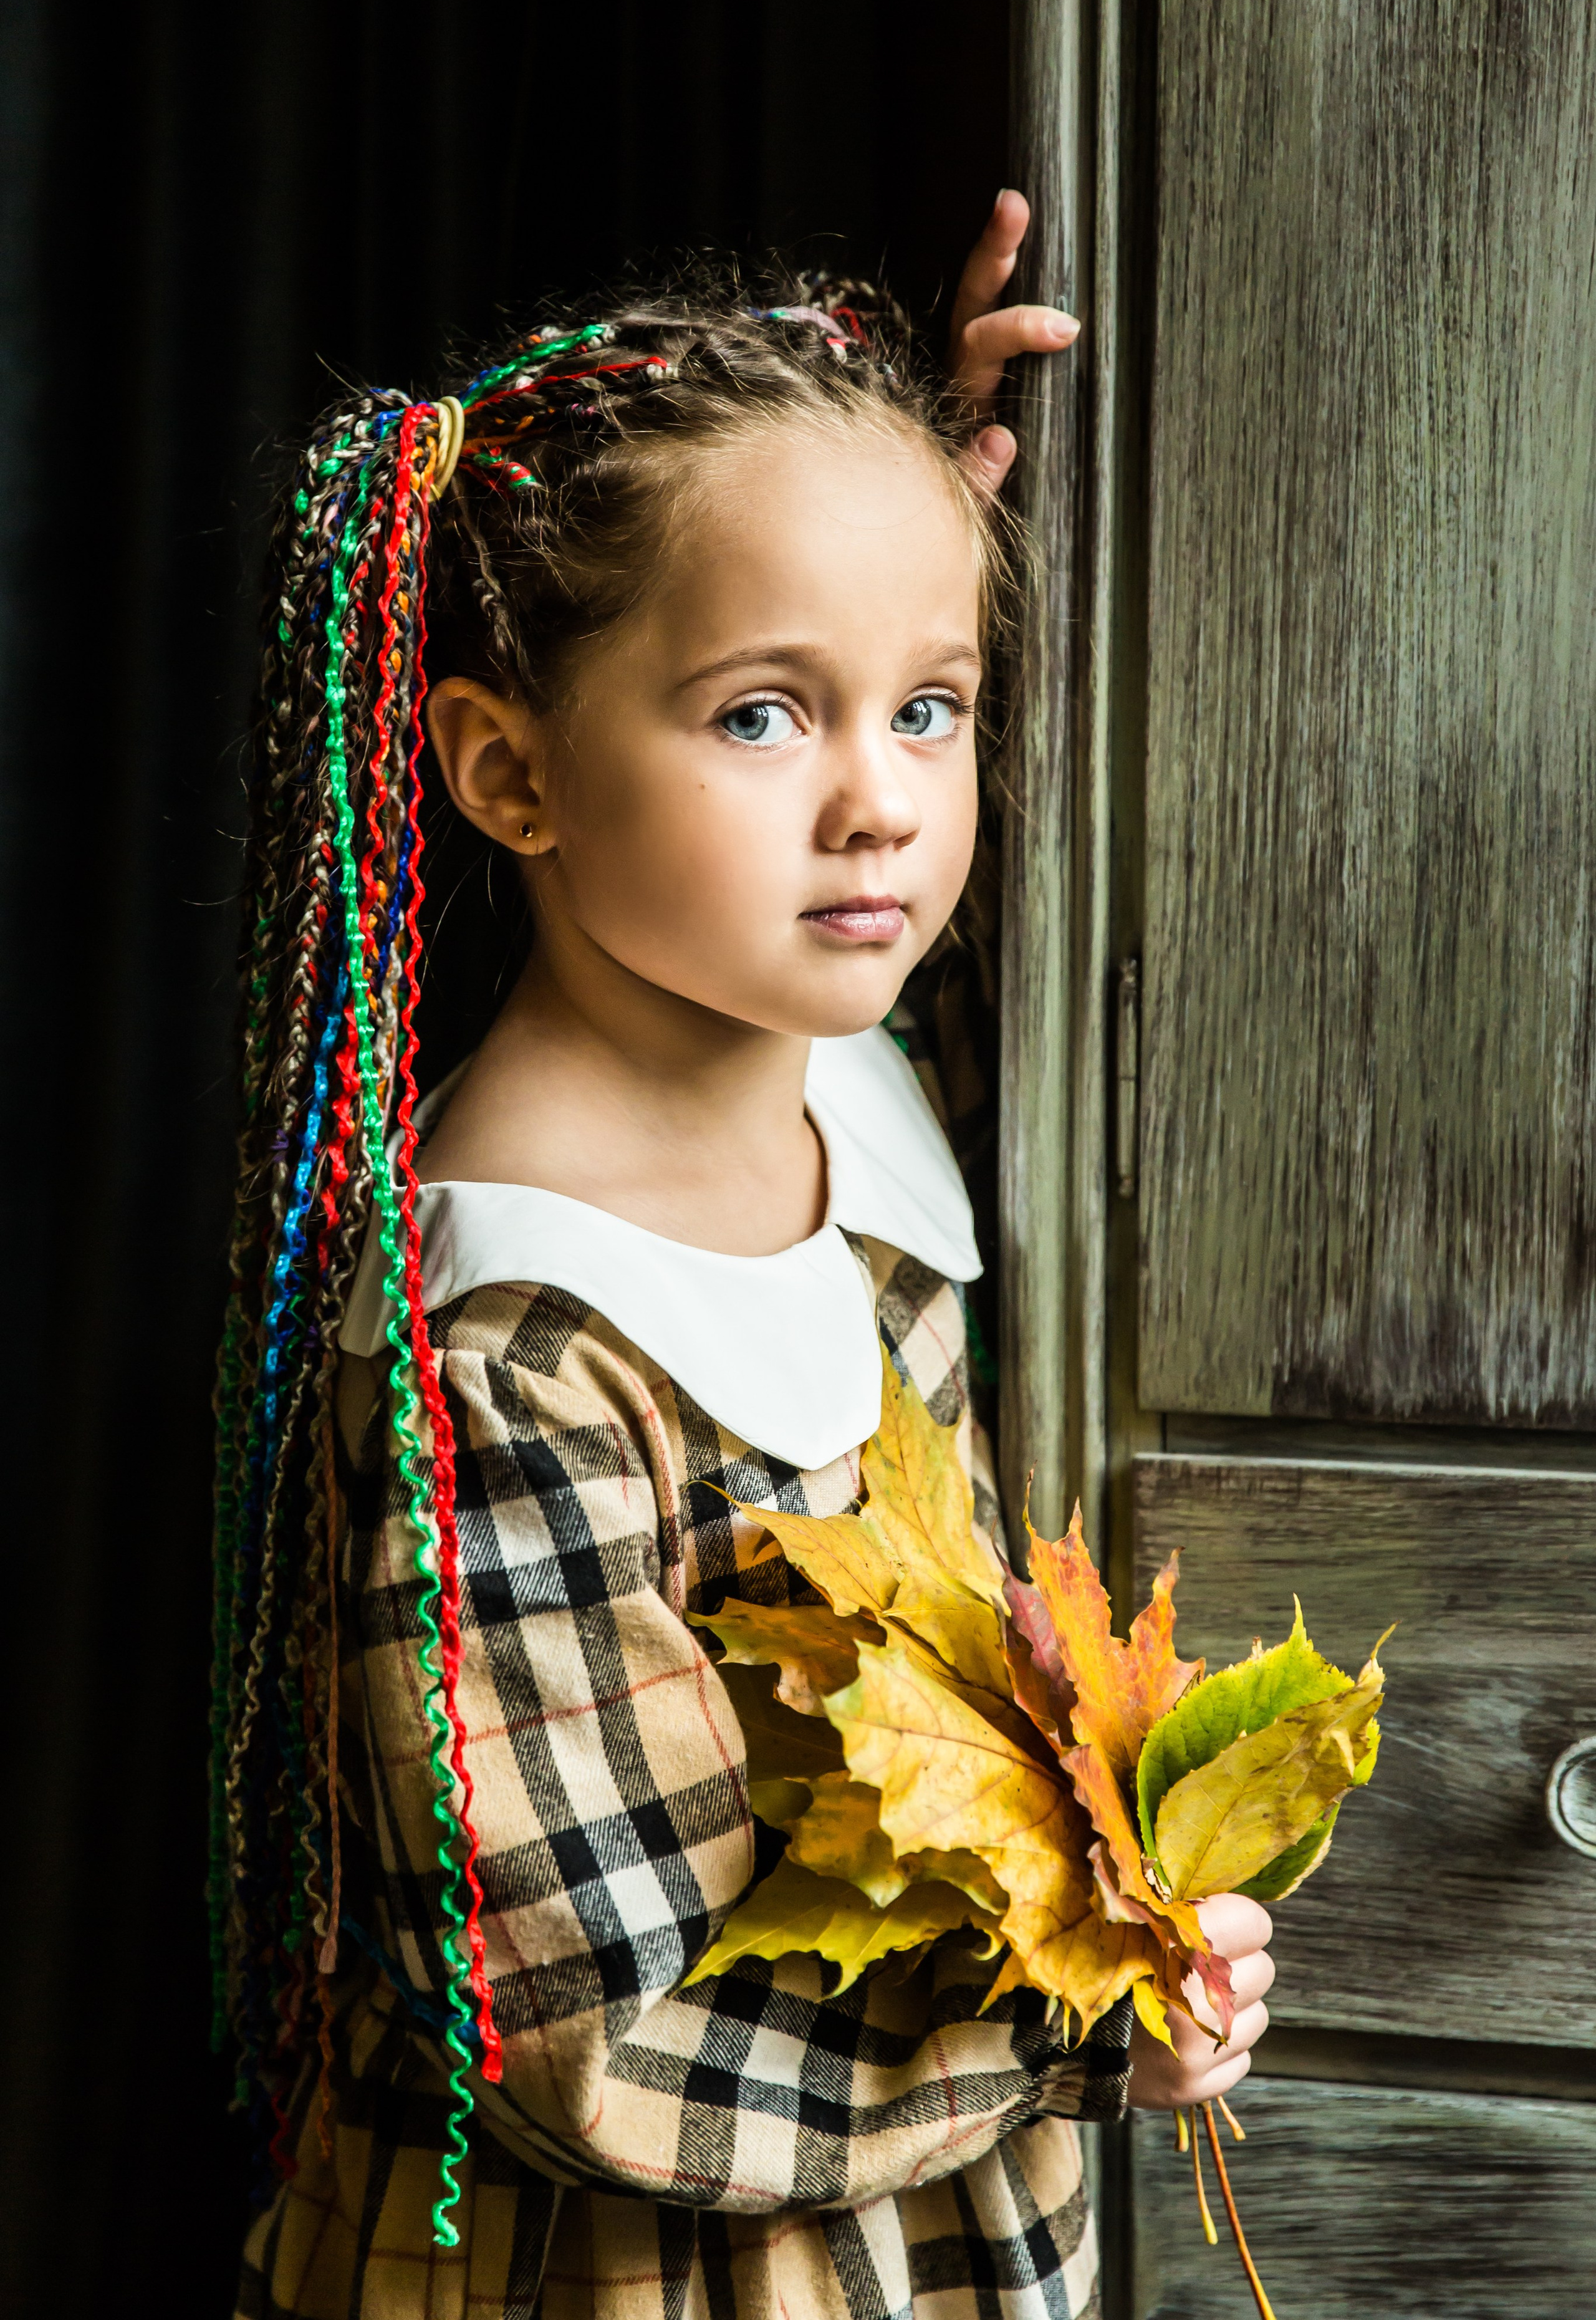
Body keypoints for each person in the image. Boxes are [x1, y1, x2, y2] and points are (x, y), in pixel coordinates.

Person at [216, 190, 1272, 2320]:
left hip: (937, 2224)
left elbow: (954, 908)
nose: (878, 804)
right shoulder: (502, 1343)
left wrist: (904, 495)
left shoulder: (849, 1065)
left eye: (933, 707)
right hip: (665, 2263)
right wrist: (1081, 2016)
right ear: (509, 769)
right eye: (764, 717)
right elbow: (582, 2033)